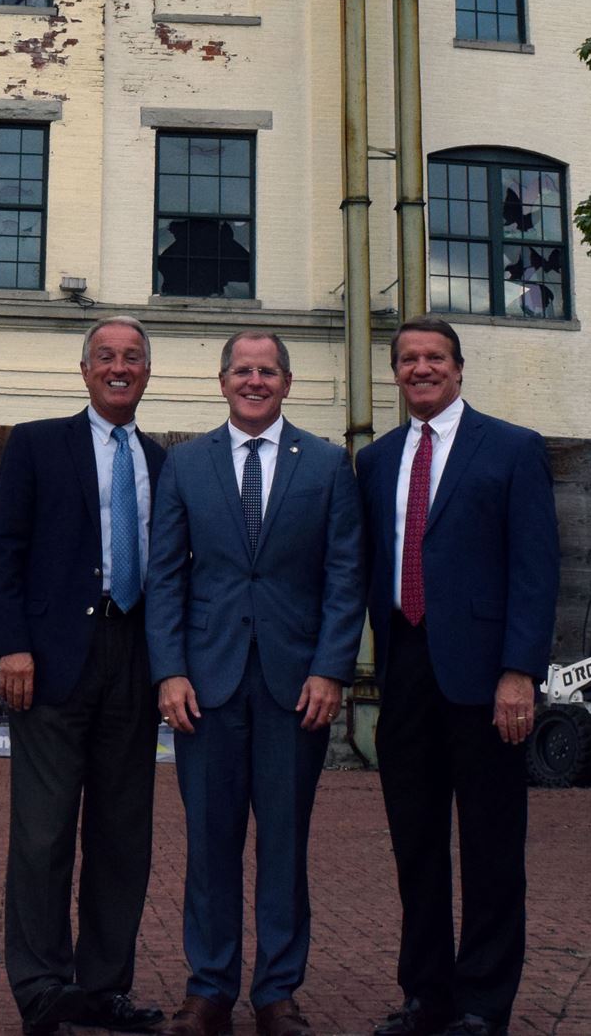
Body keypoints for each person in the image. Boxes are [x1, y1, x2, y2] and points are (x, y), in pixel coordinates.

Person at [144, 332, 365, 1036]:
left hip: (294, 685)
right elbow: (166, 577)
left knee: (283, 844)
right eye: (243, 369)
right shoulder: (185, 462)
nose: (255, 380)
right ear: (222, 380)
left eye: (267, 370)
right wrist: (169, 670)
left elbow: (344, 577)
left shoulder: (329, 464)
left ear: (288, 382)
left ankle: (277, 993)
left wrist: (332, 667)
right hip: (204, 686)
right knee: (209, 843)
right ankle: (208, 990)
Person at [355, 316, 559, 1036]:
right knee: (416, 843)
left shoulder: (511, 449)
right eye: (407, 358)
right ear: (395, 372)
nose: (420, 368)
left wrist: (518, 672)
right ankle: (426, 994)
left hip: (485, 681)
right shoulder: (376, 461)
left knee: (491, 845)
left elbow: (536, 572)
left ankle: (481, 1003)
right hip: (406, 672)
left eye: (433, 356)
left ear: (459, 367)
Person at [0, 317, 172, 1036]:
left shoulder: (162, 461)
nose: (118, 367)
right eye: (105, 357)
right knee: (43, 833)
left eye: (132, 358)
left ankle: (103, 988)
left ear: (147, 372)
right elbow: (1, 551)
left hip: (136, 662)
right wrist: (11, 646)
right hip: (51, 661)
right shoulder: (35, 444)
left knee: (124, 836)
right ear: (84, 369)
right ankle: (42, 988)